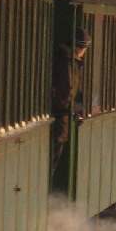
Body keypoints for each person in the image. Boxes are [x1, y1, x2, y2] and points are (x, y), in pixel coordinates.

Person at [51, 27, 90, 172]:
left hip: (61, 114)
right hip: (61, 115)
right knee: (55, 154)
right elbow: (68, 90)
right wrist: (74, 110)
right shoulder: (69, 61)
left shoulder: (66, 59)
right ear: (82, 47)